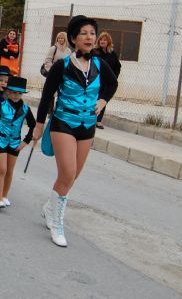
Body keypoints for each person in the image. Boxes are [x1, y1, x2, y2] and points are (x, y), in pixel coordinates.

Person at [33, 15, 118, 247]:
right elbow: (47, 96)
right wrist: (39, 126)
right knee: (68, 173)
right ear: (73, 38)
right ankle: (57, 223)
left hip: (87, 126)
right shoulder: (62, 65)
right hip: (63, 123)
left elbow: (112, 84)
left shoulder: (100, 64)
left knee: (72, 177)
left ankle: (50, 207)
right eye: (84, 33)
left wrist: (103, 101)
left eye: (92, 33)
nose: (90, 37)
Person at [0, 76, 36, 210]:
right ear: (8, 92)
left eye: (19, 93)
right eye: (14, 92)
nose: (16, 96)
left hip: (15, 142)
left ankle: (4, 196)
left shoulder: (26, 109)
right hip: (0, 140)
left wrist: (25, 142)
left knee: (9, 170)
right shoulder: (1, 105)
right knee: (2, 169)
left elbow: (33, 125)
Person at [94, 32, 121, 129]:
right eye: (101, 39)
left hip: (106, 83)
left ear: (108, 41)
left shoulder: (112, 54)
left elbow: (118, 67)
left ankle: (98, 121)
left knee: (103, 100)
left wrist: (113, 78)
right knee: (94, 99)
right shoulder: (94, 52)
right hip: (95, 81)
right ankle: (92, 119)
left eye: (105, 40)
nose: (102, 41)